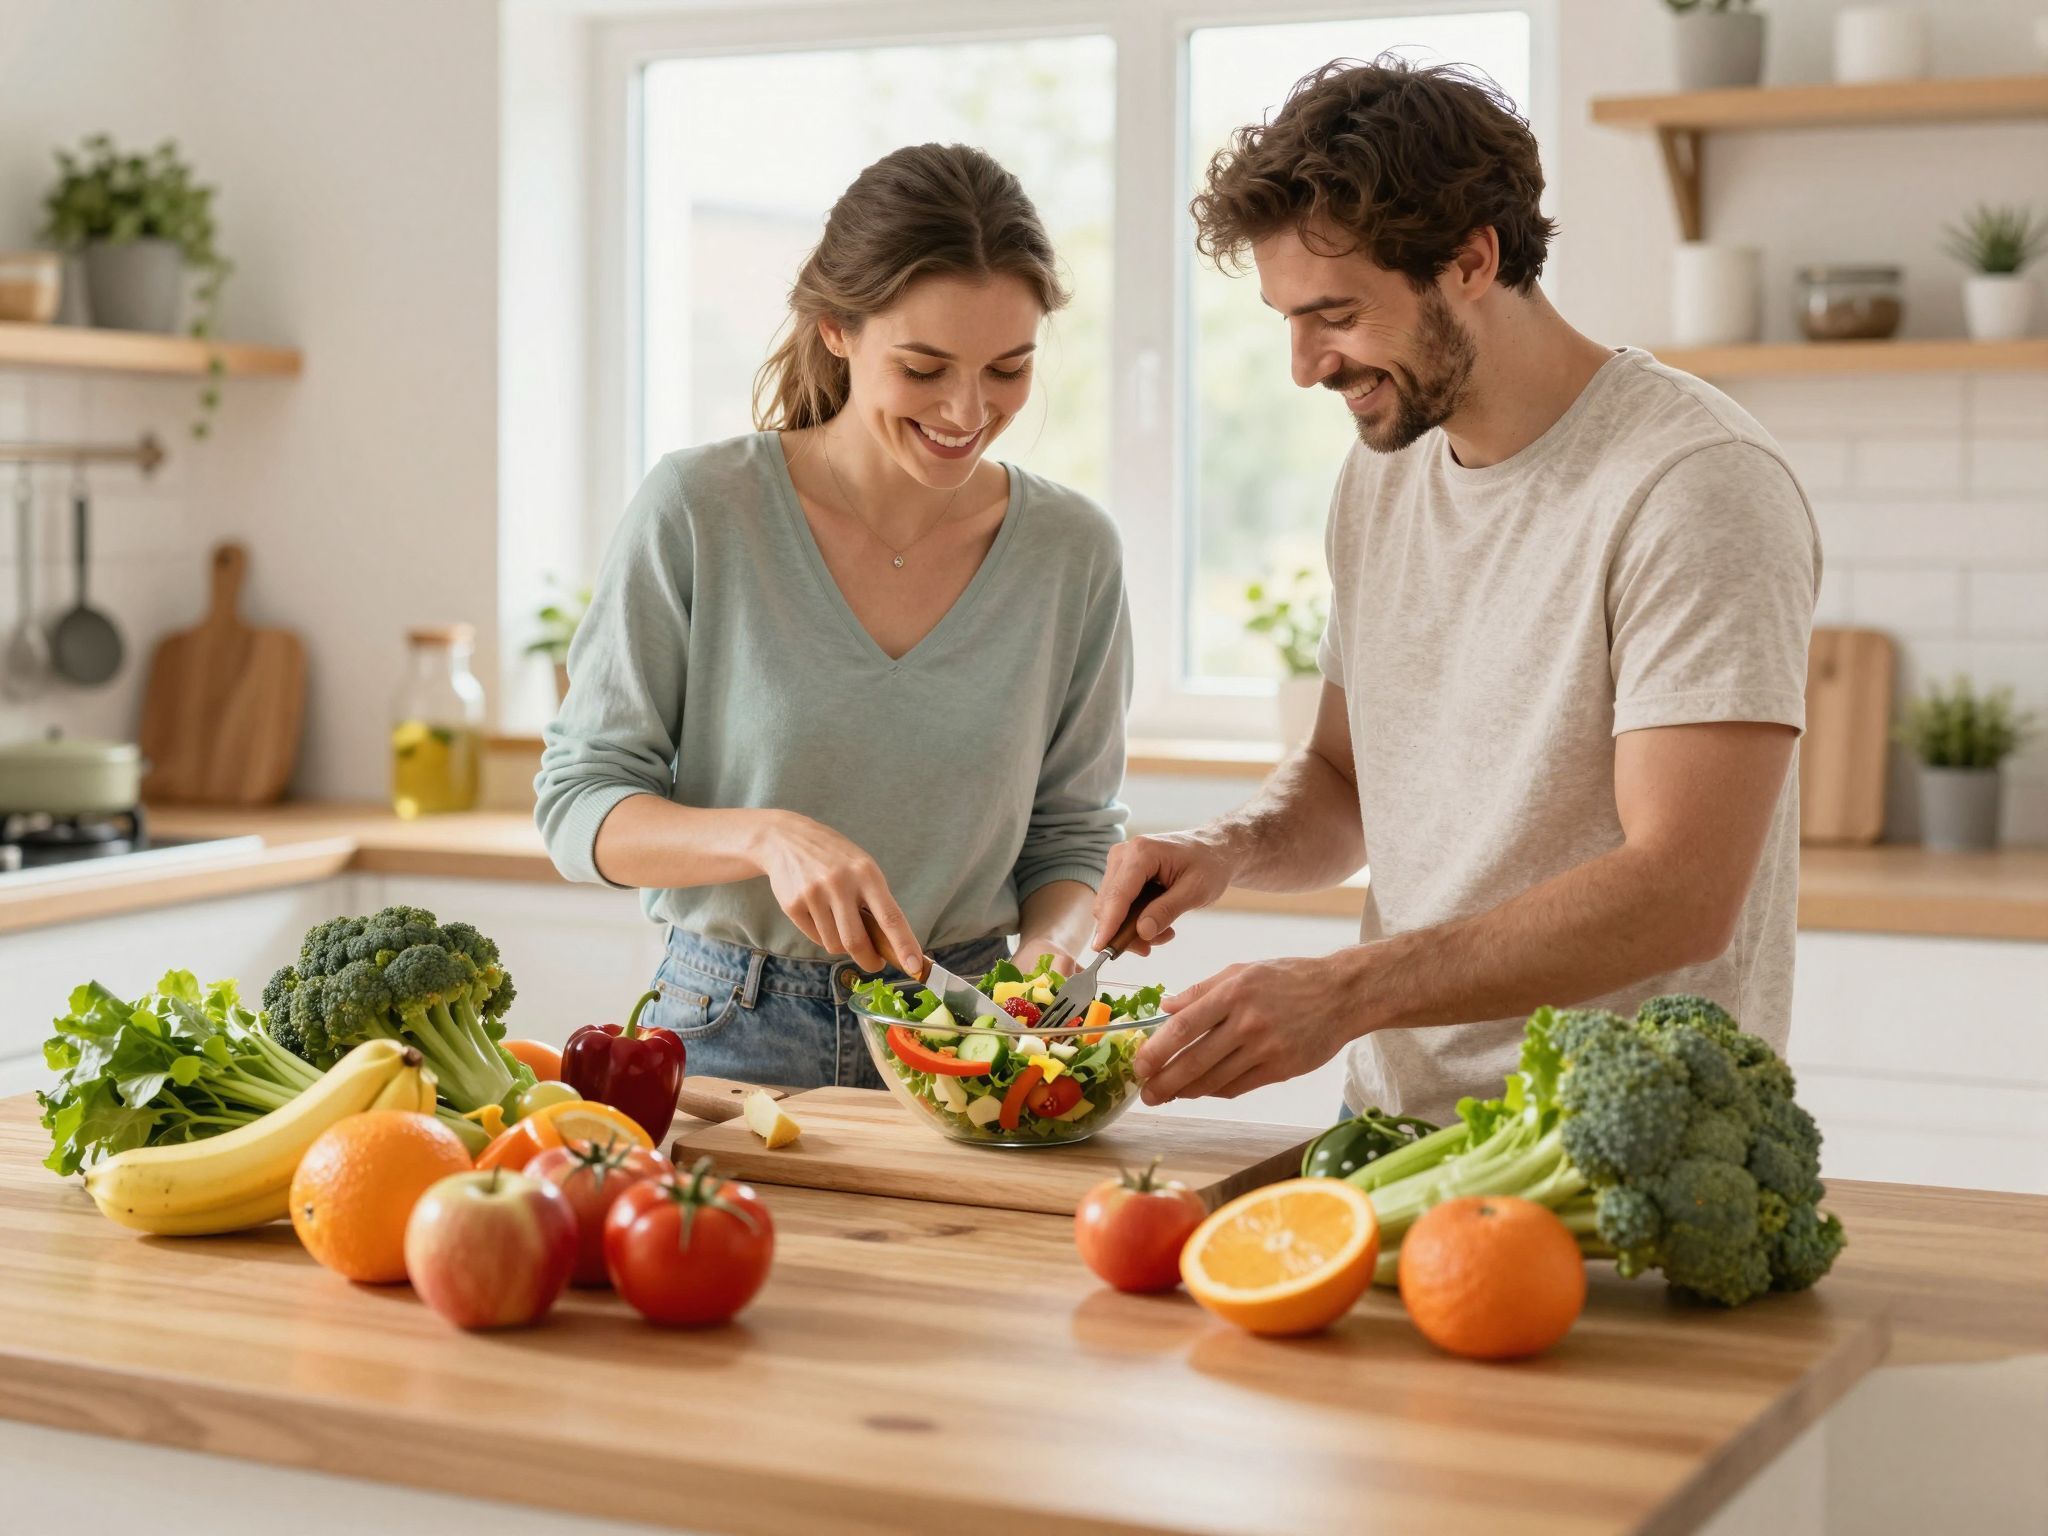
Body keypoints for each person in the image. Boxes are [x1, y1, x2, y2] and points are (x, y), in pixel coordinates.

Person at [1098, 58, 1819, 1126]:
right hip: (1389, 1128)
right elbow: (1346, 779)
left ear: (1470, 260)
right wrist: (1225, 849)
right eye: (1286, 318)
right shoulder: (1382, 470)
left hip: (1614, 1152)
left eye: (1334, 313)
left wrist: (1339, 994)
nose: (1303, 366)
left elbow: (1680, 892)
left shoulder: (1692, 483)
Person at [537, 143, 1131, 1091]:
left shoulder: (1072, 551)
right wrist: (765, 836)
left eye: (1008, 369)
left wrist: (1051, 960)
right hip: (728, 1025)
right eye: (925, 366)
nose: (968, 409)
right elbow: (578, 807)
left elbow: (1070, 832)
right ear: (835, 331)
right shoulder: (701, 506)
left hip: (972, 1033)